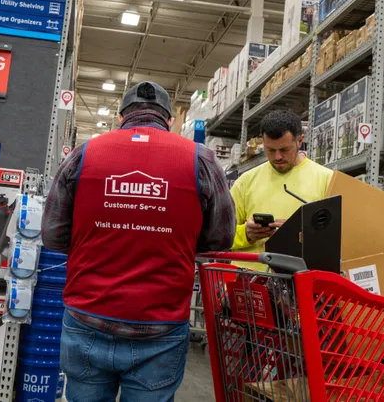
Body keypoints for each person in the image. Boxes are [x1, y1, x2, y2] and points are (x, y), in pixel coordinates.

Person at [42, 81, 235, 402]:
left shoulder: (83, 155)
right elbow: (221, 238)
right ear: (169, 121)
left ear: (120, 117)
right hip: (160, 327)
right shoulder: (201, 160)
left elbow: (52, 234)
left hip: (87, 317)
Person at [230, 110, 333, 270]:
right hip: (250, 285)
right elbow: (219, 235)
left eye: (284, 150)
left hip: (301, 284)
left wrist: (303, 234)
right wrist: (247, 234)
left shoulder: (327, 180)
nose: (277, 157)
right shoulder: (245, 182)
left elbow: (337, 238)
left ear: (300, 141)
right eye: (270, 150)